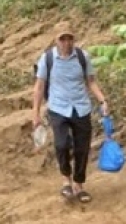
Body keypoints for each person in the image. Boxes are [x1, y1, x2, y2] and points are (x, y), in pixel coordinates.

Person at [32, 22, 110, 203]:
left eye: (69, 38)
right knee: (61, 145)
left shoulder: (83, 57)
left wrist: (102, 100)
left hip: (81, 107)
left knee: (82, 148)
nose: (66, 42)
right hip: (58, 107)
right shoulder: (47, 59)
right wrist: (35, 113)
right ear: (56, 40)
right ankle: (66, 179)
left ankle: (79, 184)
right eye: (62, 39)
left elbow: (91, 81)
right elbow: (39, 86)